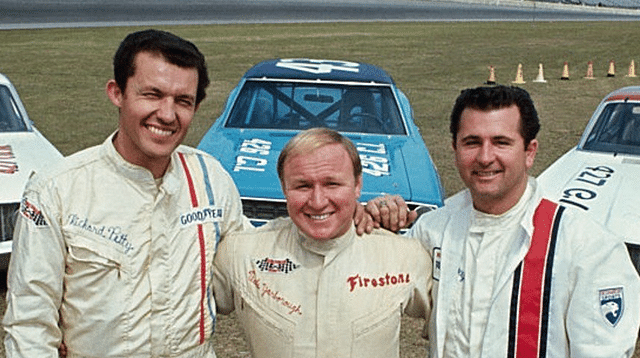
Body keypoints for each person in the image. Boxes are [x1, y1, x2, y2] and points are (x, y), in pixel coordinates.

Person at [3, 29, 252, 357]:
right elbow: (29, 324)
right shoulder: (57, 188)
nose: (166, 114)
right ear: (116, 92)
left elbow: (248, 273)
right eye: (152, 94)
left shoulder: (211, 178)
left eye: (182, 101)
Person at [367, 85, 640, 357]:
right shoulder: (432, 230)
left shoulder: (587, 247)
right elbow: (374, 283)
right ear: (455, 148)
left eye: (501, 142)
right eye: (472, 142)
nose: (485, 157)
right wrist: (369, 222)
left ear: (529, 151)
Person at [211, 127, 432, 357]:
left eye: (332, 184)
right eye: (302, 186)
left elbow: (455, 327)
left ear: (358, 185)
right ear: (284, 187)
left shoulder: (404, 255)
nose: (317, 202)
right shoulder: (240, 252)